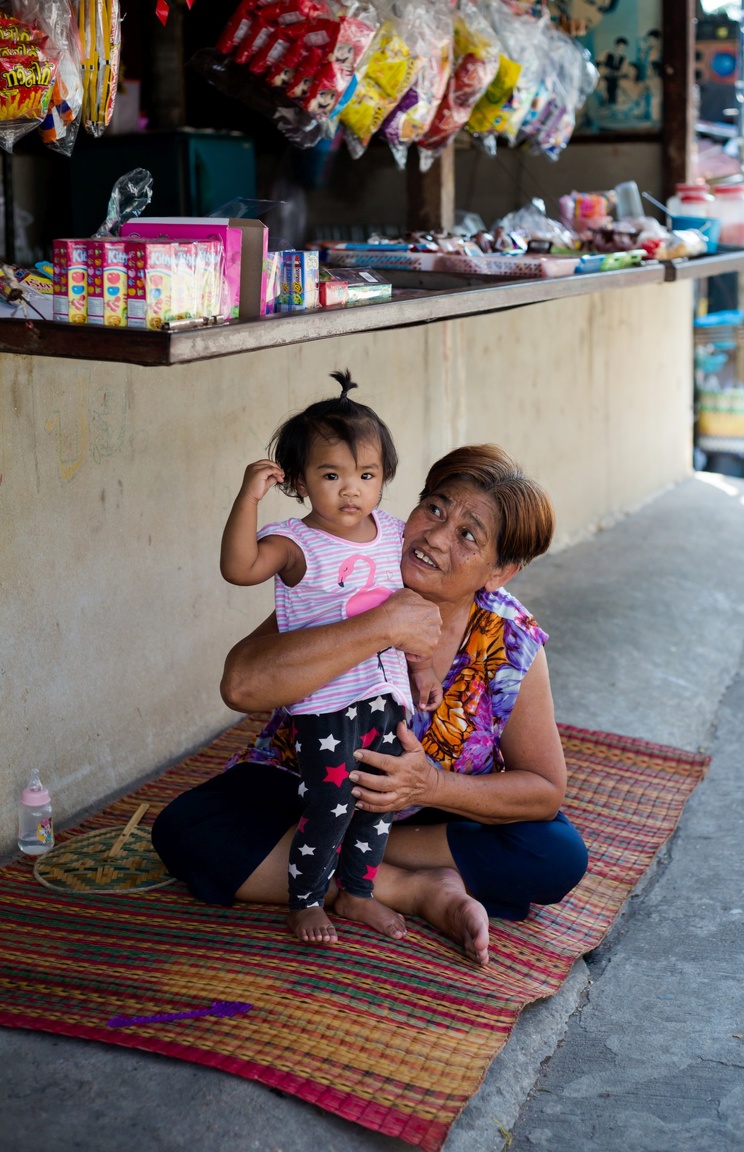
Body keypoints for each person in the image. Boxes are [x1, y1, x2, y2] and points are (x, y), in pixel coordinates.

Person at [152, 444, 589, 966]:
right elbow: (241, 686)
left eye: (468, 535)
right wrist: (379, 625)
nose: (434, 536)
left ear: (500, 572)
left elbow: (543, 789)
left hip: (421, 819)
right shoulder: (349, 578)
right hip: (302, 791)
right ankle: (410, 890)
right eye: (434, 509)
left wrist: (429, 785)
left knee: (556, 854)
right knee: (188, 831)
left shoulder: (509, 639)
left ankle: (340, 863)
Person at [218, 370, 441, 945]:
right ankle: (305, 902)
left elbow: (407, 614)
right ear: (297, 480)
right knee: (328, 806)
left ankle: (358, 895)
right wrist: (248, 496)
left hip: (385, 698)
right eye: (331, 475)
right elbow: (239, 569)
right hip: (325, 705)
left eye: (366, 475)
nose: (351, 490)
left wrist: (420, 672)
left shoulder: (393, 535)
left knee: (377, 804)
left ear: (385, 478)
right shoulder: (295, 542)